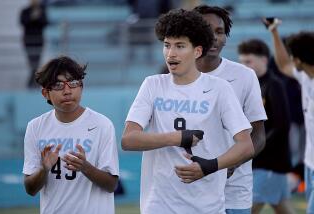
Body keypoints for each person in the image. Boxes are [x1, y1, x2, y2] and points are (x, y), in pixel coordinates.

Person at [122, 8, 255, 214]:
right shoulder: (152, 85)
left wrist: (209, 166)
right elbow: (128, 140)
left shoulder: (219, 89)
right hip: (159, 205)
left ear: (197, 51)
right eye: (167, 45)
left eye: (180, 46)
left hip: (207, 206)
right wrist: (176, 138)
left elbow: (246, 146)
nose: (171, 53)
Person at [22, 56, 119, 214]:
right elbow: (30, 189)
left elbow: (112, 185)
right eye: (58, 85)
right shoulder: (35, 127)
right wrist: (43, 169)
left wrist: (85, 167)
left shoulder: (102, 125)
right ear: (45, 93)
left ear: (81, 87)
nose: (67, 91)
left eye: (73, 83)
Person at [193, 5, 267, 214]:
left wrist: (230, 164)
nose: (214, 38)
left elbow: (259, 135)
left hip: (234, 193)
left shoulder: (245, 76)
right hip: (190, 191)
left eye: (219, 32)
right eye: (208, 31)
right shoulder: (174, 77)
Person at [238, 39, 295, 214]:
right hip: (261, 161)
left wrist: (253, 148)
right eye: (242, 62)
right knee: (282, 207)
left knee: (248, 208)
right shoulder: (251, 85)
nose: (244, 67)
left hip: (270, 162)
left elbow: (281, 125)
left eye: (249, 62)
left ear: (264, 60)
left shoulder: (274, 85)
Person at [265, 18, 314, 214]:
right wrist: (274, 32)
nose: (291, 59)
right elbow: (284, 64)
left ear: (300, 59)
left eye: (293, 55)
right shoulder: (305, 76)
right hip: (310, 163)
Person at [20, 0, 48, 88]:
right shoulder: (25, 11)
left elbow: (45, 22)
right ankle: (34, 82)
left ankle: (32, 83)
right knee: (32, 63)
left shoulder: (42, 10)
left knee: (36, 63)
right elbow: (22, 22)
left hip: (39, 40)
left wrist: (38, 17)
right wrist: (32, 17)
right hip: (28, 40)